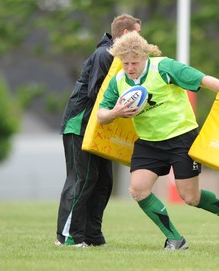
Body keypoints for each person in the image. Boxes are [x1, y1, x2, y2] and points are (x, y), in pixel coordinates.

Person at [97, 31, 219, 250]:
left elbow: (204, 80)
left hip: (181, 138)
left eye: (134, 63)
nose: (129, 68)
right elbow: (101, 114)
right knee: (138, 189)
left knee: (190, 197)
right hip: (148, 142)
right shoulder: (119, 80)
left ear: (145, 56)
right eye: (125, 63)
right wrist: (115, 112)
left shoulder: (164, 67)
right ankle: (175, 238)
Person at [56, 14, 142, 248]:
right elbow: (98, 94)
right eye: (138, 33)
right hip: (80, 125)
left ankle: (92, 237)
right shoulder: (105, 54)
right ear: (125, 34)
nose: (140, 39)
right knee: (83, 179)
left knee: (103, 181)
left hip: (100, 128)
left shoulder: (119, 57)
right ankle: (68, 237)